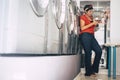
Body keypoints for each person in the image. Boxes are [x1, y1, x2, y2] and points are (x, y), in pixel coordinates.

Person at [79, 4, 102, 77]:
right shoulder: (82, 17)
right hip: (85, 36)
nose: (91, 12)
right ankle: (88, 72)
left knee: (99, 51)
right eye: (90, 11)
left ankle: (93, 69)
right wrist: (92, 23)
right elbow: (82, 28)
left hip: (91, 36)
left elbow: (92, 28)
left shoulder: (91, 17)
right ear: (85, 11)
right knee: (88, 53)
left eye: (92, 11)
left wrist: (96, 24)